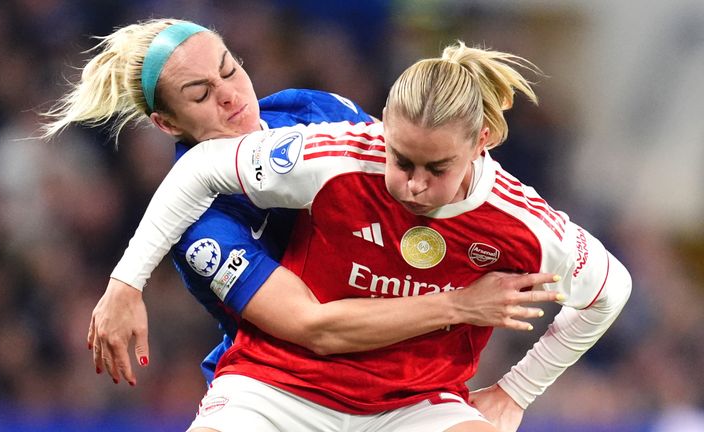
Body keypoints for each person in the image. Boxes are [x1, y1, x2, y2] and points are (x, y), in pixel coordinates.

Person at [108, 41, 632, 432]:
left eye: (437, 167)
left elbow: (611, 292)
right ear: (382, 127)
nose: (414, 184)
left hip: (415, 403)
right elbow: (200, 167)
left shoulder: (521, 220)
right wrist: (126, 284)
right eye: (400, 159)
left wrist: (517, 391)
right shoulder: (333, 155)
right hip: (279, 386)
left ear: (483, 142)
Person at [41, 19, 561, 388]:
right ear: (167, 124)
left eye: (229, 68)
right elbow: (317, 327)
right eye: (200, 94)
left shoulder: (310, 111)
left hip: (402, 378)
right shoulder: (201, 227)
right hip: (287, 383)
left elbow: (420, 177)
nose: (229, 94)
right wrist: (460, 304)